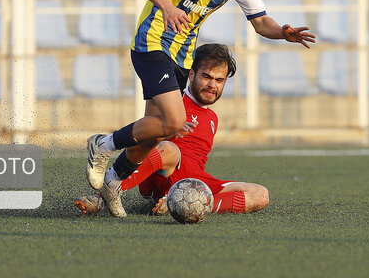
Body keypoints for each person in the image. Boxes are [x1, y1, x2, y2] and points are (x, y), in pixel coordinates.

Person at [85, 0, 314, 217]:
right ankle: (103, 144)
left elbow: (260, 22)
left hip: (182, 56)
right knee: (175, 122)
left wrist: (283, 32)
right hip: (152, 43)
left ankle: (114, 182)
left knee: (152, 135)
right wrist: (166, 6)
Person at [75, 43, 269, 216]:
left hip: (194, 181)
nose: (212, 85)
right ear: (191, 74)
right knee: (169, 149)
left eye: (219, 80)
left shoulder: (212, 118)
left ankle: (190, 203)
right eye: (207, 77)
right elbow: (143, 135)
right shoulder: (172, 103)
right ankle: (101, 198)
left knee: (260, 194)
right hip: (163, 172)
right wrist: (166, 132)